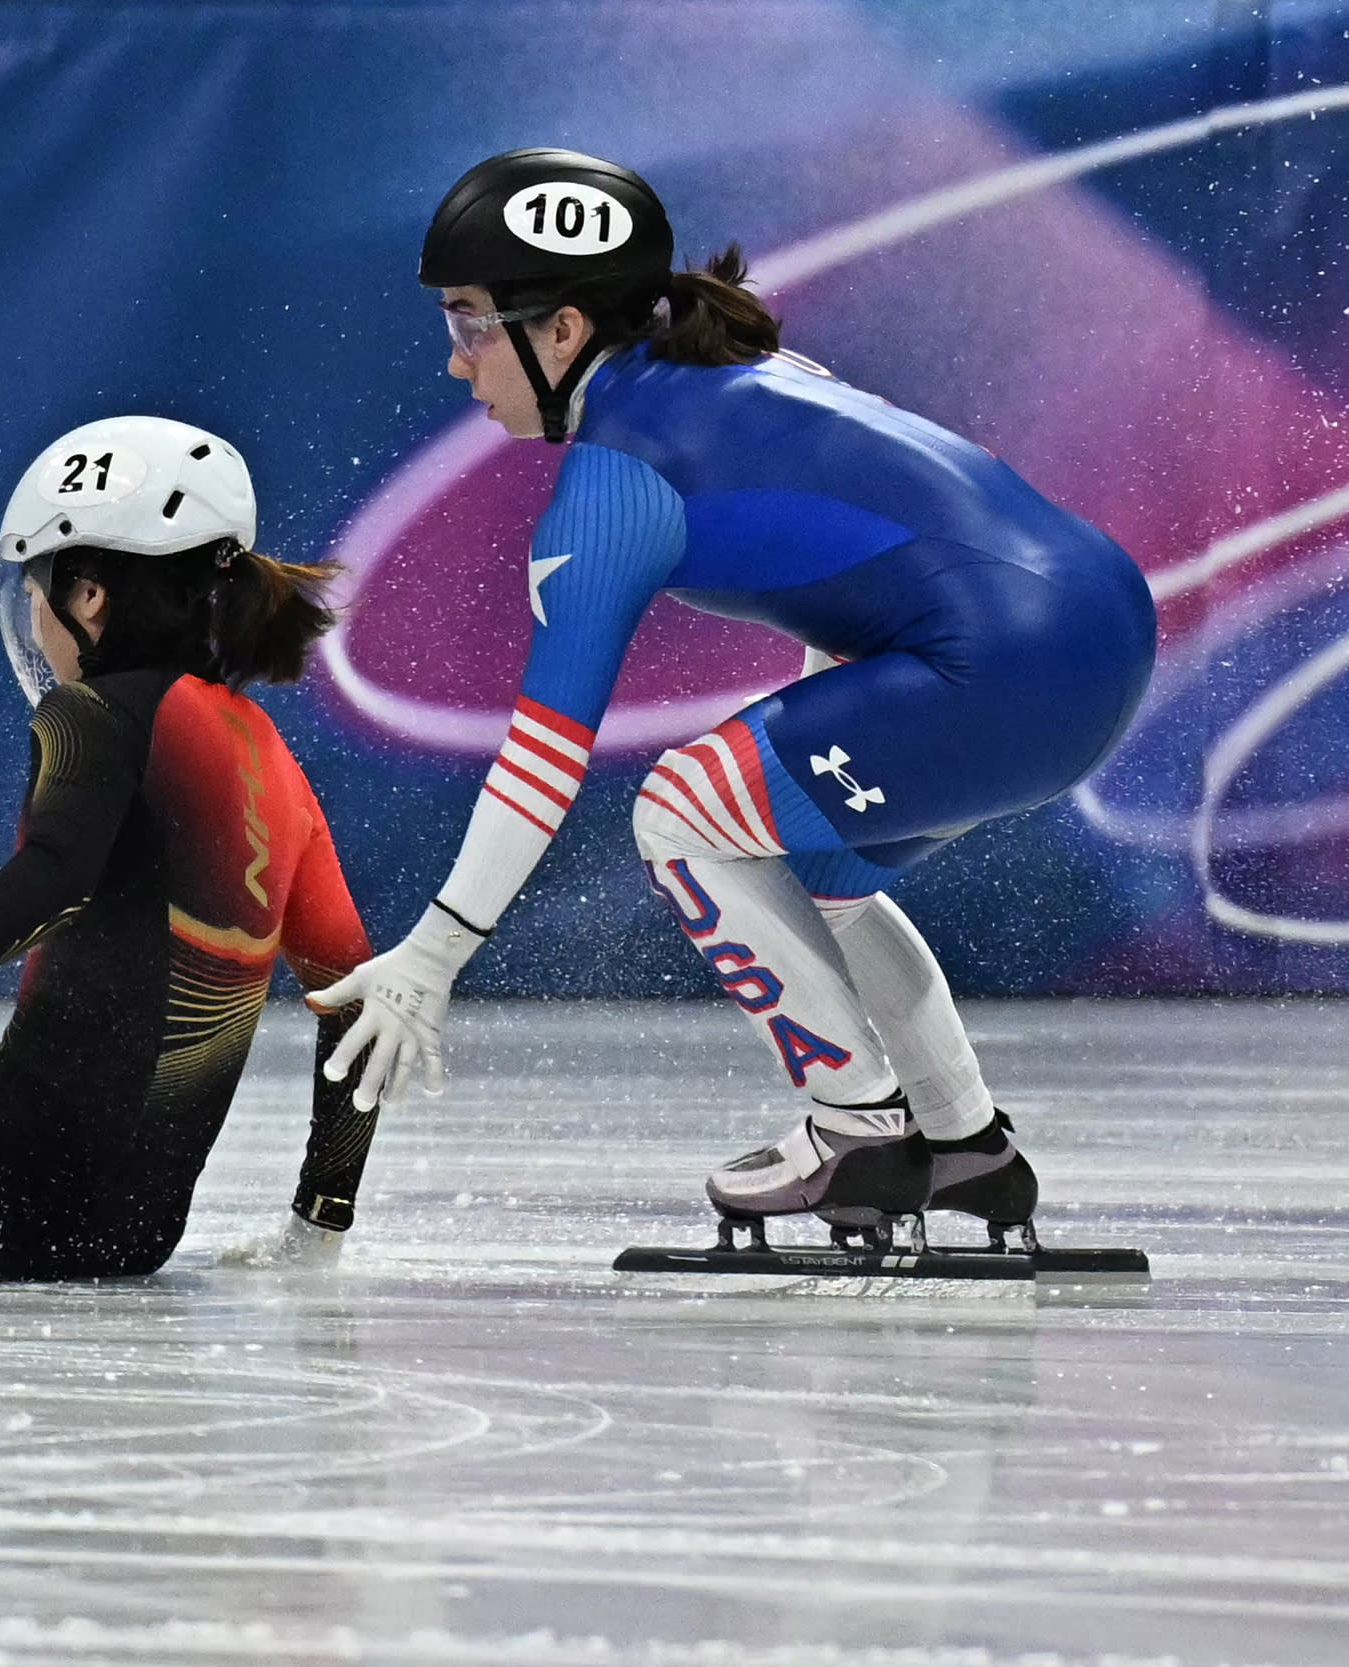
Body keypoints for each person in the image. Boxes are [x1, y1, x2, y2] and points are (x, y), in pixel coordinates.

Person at [308, 150, 1156, 1250]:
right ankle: (962, 1140)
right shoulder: (751, 370)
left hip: (993, 663)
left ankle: (856, 1128)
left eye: (471, 324)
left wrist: (431, 955)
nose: (458, 364)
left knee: (678, 813)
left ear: (561, 332)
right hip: (1093, 629)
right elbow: (876, 566)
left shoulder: (615, 483)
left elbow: (540, 759)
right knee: (809, 869)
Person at [0, 417, 376, 1280]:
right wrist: (317, 1226)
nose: (32, 616)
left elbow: (58, 877)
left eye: (37, 588)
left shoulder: (95, 712)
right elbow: (354, 1007)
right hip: (131, 1239)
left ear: (88, 595)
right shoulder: (273, 760)